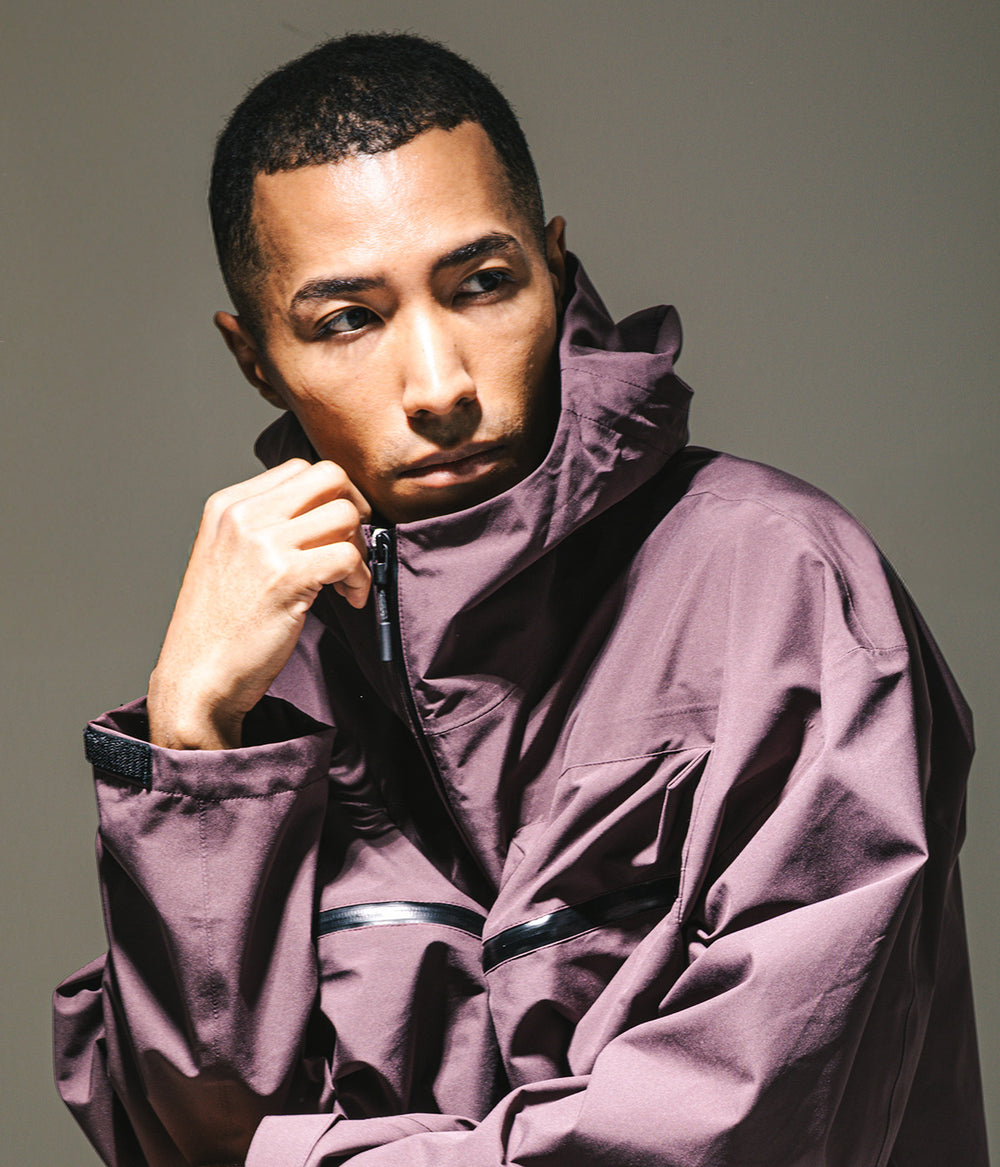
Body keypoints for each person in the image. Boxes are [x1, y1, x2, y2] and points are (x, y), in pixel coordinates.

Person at [53, 31, 988, 1167]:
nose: (439, 384)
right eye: (348, 320)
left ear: (554, 266)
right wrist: (191, 739)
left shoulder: (784, 587)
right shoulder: (269, 679)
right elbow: (190, 1135)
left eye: (482, 285)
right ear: (255, 359)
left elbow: (748, 1124)